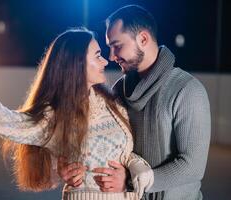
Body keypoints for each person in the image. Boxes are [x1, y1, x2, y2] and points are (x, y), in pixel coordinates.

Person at [0, 28, 154, 200]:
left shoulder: (112, 104)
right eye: (97, 55)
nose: (105, 61)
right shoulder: (54, 116)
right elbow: (9, 122)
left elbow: (125, 153)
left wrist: (135, 171)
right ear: (76, 63)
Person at [58, 5, 211, 200]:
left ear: (143, 39)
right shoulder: (118, 91)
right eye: (109, 47)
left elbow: (193, 167)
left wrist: (131, 180)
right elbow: (96, 141)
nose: (111, 56)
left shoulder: (187, 90)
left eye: (117, 45)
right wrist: (68, 164)